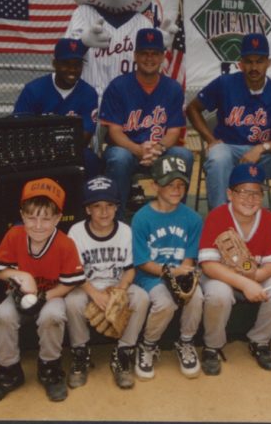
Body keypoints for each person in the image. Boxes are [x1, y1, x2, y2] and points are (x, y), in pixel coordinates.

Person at [0, 178, 86, 405]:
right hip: (19, 294)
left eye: (46, 218)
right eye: (31, 217)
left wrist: (43, 297)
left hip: (52, 293)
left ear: (57, 218)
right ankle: (9, 372)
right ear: (22, 215)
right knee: (2, 316)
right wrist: (22, 276)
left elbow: (70, 283)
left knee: (52, 316)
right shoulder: (15, 235)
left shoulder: (65, 244)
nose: (38, 225)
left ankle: (50, 368)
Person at [186, 33, 271, 228]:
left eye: (259, 61)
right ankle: (221, 226)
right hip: (229, 150)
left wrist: (261, 148)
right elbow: (192, 108)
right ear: (240, 63)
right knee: (217, 157)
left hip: (262, 156)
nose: (254, 67)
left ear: (269, 62)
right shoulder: (225, 84)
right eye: (249, 62)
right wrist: (210, 139)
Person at [197, 163, 271, 374]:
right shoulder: (218, 216)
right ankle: (212, 345)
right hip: (221, 276)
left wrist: (257, 274)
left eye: (256, 193)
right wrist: (245, 282)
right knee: (218, 293)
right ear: (230, 193)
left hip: (251, 271)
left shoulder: (267, 218)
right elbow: (209, 265)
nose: (250, 199)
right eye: (243, 192)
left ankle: (260, 341)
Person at [64, 176, 149, 390]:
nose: (104, 212)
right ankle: (80, 352)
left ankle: (123, 352)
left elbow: (130, 269)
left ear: (117, 207)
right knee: (72, 302)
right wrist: (94, 293)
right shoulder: (76, 232)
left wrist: (120, 291)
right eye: (97, 206)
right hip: (86, 284)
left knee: (141, 297)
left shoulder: (125, 231)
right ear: (87, 209)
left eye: (110, 205)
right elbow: (75, 272)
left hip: (116, 283)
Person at [99, 28, 193, 220]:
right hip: (127, 150)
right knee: (118, 157)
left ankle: (175, 218)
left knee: (183, 155)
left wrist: (158, 148)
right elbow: (115, 131)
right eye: (144, 53)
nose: (149, 58)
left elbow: (174, 131)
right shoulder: (118, 86)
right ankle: (116, 219)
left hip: (159, 151)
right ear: (135, 56)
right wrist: (137, 149)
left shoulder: (173, 88)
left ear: (162, 57)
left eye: (155, 53)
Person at [131, 154, 204, 380]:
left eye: (181, 184)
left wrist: (184, 276)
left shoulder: (192, 218)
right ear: (154, 185)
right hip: (149, 276)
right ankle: (148, 344)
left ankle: (186, 341)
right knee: (165, 302)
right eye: (169, 184)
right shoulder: (142, 218)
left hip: (179, 271)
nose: (176, 189)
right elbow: (142, 261)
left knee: (197, 296)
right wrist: (169, 274)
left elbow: (189, 256)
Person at [13, 37, 101, 178]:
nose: (72, 70)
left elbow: (84, 138)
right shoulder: (34, 90)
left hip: (72, 152)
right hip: (37, 153)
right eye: (66, 64)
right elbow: (20, 131)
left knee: (90, 159)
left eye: (77, 64)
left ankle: (86, 199)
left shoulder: (88, 93)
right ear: (54, 63)